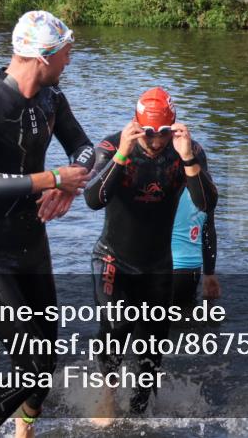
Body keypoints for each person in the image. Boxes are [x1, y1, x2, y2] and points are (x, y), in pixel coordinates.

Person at [0, 10, 93, 438]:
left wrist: (70, 185)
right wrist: (51, 178)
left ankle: (24, 432)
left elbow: (86, 150)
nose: (69, 60)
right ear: (42, 55)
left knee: (46, 362)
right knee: (31, 363)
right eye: (66, 52)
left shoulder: (53, 99)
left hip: (32, 245)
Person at [83, 86, 218, 421]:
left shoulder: (186, 150)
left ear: (172, 126)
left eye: (162, 134)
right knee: (115, 325)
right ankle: (108, 394)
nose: (156, 142)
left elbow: (207, 204)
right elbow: (92, 199)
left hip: (158, 265)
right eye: (148, 134)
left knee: (153, 346)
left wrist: (187, 159)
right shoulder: (112, 145)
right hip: (113, 258)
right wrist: (122, 155)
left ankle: (141, 410)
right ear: (136, 124)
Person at [171, 189, 220, 311]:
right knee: (185, 318)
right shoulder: (206, 185)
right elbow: (208, 231)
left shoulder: (164, 178)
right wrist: (209, 273)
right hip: (191, 272)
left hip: (161, 269)